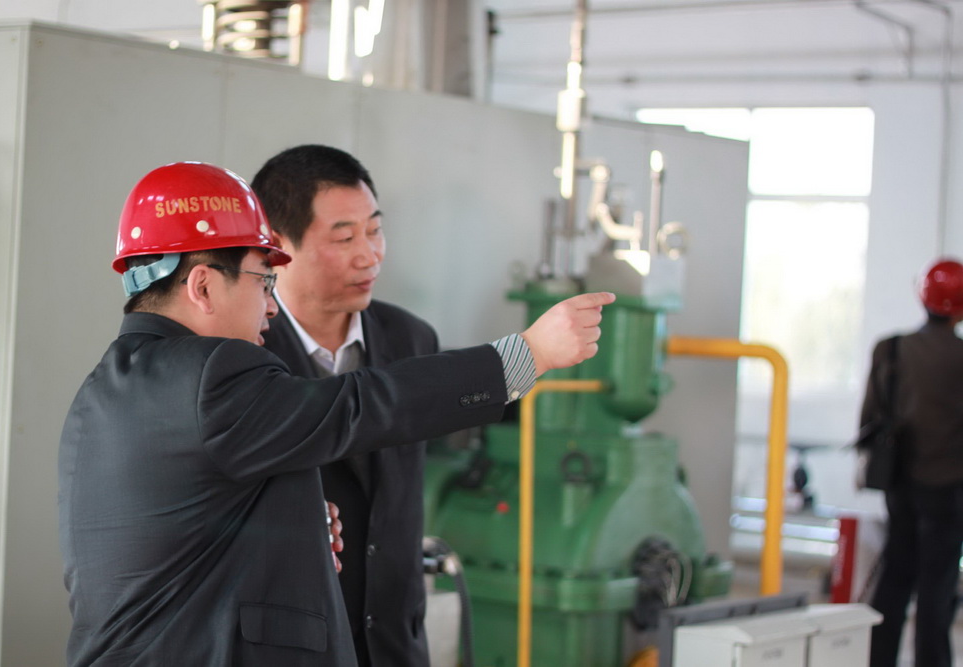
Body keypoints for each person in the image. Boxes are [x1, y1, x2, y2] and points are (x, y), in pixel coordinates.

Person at [58, 161, 613, 667]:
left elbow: (177, 545)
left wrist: (290, 523)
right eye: (263, 281)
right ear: (203, 285)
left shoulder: (101, 393)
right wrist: (526, 355)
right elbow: (356, 407)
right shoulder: (213, 374)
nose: (270, 306)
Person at [251, 144, 442, 667]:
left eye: (374, 231)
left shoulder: (412, 340)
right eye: (344, 237)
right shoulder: (243, 354)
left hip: (396, 644)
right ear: (277, 245)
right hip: (292, 648)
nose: (370, 255)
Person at [863, 258, 963, 667]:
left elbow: (870, 416)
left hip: (900, 484)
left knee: (894, 578)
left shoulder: (891, 349)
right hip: (949, 490)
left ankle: (879, 660)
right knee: (937, 588)